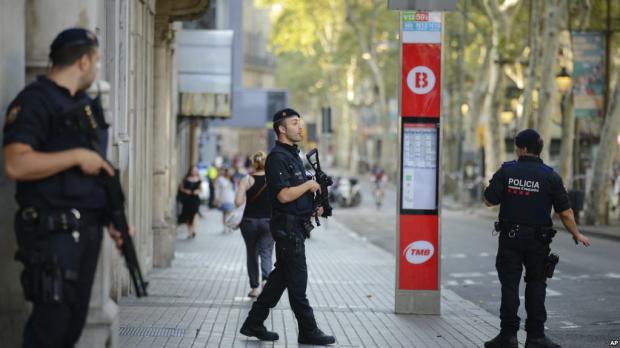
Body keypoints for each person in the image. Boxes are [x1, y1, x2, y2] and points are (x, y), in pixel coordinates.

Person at [2, 28, 126, 347]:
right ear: (83, 61)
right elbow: (16, 164)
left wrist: (114, 219)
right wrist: (76, 156)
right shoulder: (34, 101)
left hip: (86, 230)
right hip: (52, 233)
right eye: (97, 61)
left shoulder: (85, 105)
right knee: (50, 328)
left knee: (71, 327)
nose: (97, 69)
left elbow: (95, 170)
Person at [483, 129, 591, 348]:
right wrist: (576, 234)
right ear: (538, 149)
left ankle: (508, 336)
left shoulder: (507, 171)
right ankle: (536, 337)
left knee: (510, 286)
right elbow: (566, 213)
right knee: (536, 285)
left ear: (522, 149)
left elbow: (488, 201)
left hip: (510, 238)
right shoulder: (550, 176)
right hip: (538, 241)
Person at [239, 108, 335, 345]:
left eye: (299, 123)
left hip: (295, 228)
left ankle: (254, 322)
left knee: (278, 280)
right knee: (297, 282)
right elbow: (283, 195)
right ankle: (308, 330)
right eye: (294, 123)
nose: (299, 127)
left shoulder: (294, 156)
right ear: (281, 129)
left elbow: (297, 193)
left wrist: (314, 206)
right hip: (287, 229)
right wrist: (309, 186)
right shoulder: (277, 157)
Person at [234, 151, 274, 298]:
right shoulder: (272, 179)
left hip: (249, 222)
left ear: (253, 163)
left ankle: (254, 288)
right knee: (266, 251)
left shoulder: (247, 179)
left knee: (252, 253)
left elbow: (238, 202)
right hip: (268, 222)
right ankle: (266, 279)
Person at [177, 165, 202, 239]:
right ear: (190, 171)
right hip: (187, 200)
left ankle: (194, 230)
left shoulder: (199, 179)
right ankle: (189, 232)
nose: (194, 172)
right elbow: (181, 188)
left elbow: (201, 189)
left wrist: (197, 191)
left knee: (195, 214)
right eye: (193, 170)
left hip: (195, 199)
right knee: (188, 217)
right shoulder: (186, 179)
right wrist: (186, 191)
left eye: (195, 170)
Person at [215, 167, 235, 233]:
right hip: (224, 198)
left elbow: (235, 189)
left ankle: (228, 227)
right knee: (225, 213)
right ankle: (226, 227)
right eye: (229, 171)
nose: (230, 173)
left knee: (229, 214)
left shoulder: (232, 180)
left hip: (231, 198)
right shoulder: (220, 179)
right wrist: (216, 198)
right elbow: (217, 189)